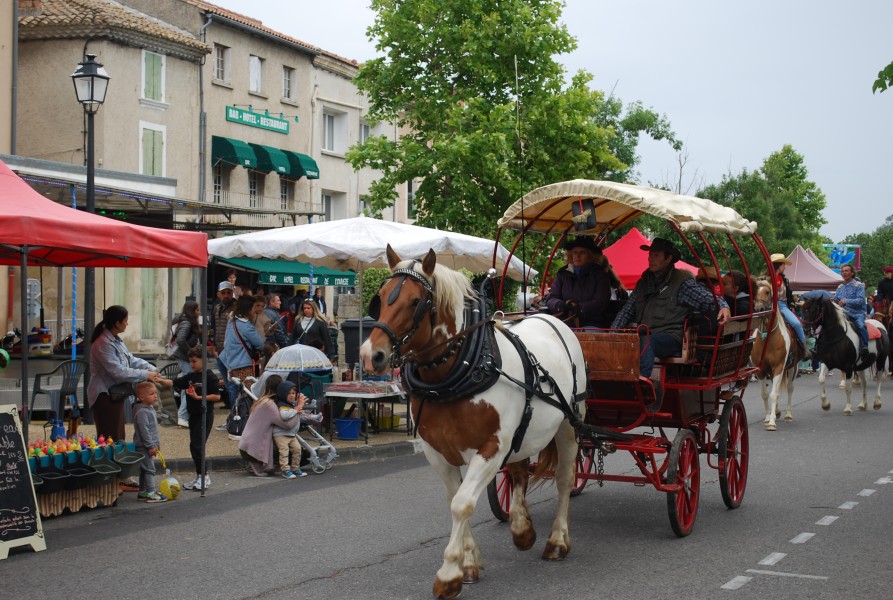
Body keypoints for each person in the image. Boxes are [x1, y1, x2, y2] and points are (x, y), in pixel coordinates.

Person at [611, 238, 731, 378]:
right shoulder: (643, 283)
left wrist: (723, 306)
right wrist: (612, 334)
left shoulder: (681, 281)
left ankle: (641, 381)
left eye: (656, 255)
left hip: (671, 337)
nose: (651, 259)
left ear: (668, 259)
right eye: (650, 255)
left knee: (648, 341)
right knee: (627, 342)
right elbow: (626, 311)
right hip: (645, 335)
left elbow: (705, 297)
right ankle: (617, 379)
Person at [87, 305, 172, 443]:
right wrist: (145, 374)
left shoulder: (116, 340)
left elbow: (131, 360)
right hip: (104, 395)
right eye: (125, 321)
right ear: (117, 323)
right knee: (110, 438)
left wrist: (152, 370)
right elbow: (117, 371)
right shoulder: (103, 343)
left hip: (114, 394)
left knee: (118, 436)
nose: (127, 324)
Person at [173, 347, 222, 491]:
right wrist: (158, 379)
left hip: (204, 415)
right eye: (190, 361)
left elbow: (217, 396)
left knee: (197, 446)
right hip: (193, 416)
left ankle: (204, 476)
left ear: (204, 360)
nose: (191, 364)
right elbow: (175, 383)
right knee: (194, 446)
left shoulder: (210, 376)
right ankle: (199, 475)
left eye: (194, 361)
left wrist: (199, 397)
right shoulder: (191, 376)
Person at [544, 237, 611, 327]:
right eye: (575, 252)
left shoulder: (599, 275)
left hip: (591, 322)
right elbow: (551, 298)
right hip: (564, 322)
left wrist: (580, 308)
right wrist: (559, 305)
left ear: (591, 256)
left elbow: (601, 301)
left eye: (582, 252)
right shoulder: (563, 274)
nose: (577, 256)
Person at [238, 375, 294, 476]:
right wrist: (297, 412)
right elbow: (286, 425)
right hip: (251, 448)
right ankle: (266, 464)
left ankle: (265, 464)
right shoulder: (270, 405)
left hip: (246, 444)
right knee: (285, 441)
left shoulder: (262, 400)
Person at [767, 253, 811, 360]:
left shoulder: (785, 280)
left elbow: (789, 295)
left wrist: (791, 305)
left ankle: (804, 348)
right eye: (783, 265)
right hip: (768, 306)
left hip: (782, 305)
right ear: (778, 265)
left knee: (796, 323)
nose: (785, 267)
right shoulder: (766, 279)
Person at [132, 381, 167, 503]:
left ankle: (143, 491)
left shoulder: (149, 409)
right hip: (144, 447)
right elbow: (144, 431)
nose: (155, 396)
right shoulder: (142, 412)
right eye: (152, 394)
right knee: (149, 469)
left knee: (144, 469)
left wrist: (157, 444)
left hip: (148, 445)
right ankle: (151, 492)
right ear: (142, 397)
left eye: (155, 393)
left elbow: (153, 430)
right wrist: (151, 446)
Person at [220, 294, 266, 384]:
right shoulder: (246, 326)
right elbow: (260, 344)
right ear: (248, 310)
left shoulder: (231, 322)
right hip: (244, 366)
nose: (255, 311)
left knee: (236, 391)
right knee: (249, 390)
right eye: (254, 308)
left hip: (230, 364)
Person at [170, 300, 201, 427]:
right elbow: (181, 339)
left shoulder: (183, 321)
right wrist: (190, 353)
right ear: (192, 311)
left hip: (182, 356)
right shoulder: (187, 323)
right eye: (197, 310)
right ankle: (182, 415)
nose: (199, 312)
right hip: (184, 357)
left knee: (187, 384)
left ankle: (183, 414)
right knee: (189, 384)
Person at [272, 380, 309, 479]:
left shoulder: (291, 405)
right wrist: (296, 409)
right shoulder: (282, 405)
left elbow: (296, 415)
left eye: (293, 393)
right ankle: (285, 470)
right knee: (284, 451)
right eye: (289, 393)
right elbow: (284, 415)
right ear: (283, 394)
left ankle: (295, 468)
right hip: (281, 433)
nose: (292, 395)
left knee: (297, 449)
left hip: (291, 433)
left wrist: (298, 409)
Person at [210, 280, 236, 408]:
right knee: (227, 382)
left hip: (232, 351)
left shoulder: (236, 308)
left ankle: (235, 410)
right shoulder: (217, 308)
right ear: (219, 294)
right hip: (220, 351)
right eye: (223, 293)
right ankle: (232, 408)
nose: (226, 295)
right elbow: (213, 329)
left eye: (229, 293)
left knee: (232, 383)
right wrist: (213, 346)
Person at [834, 263, 869, 358]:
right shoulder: (840, 287)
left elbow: (861, 300)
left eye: (846, 271)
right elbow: (836, 300)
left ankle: (864, 346)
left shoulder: (859, 285)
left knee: (861, 325)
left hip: (857, 313)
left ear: (852, 273)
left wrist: (846, 301)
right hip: (843, 313)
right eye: (842, 271)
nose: (844, 273)